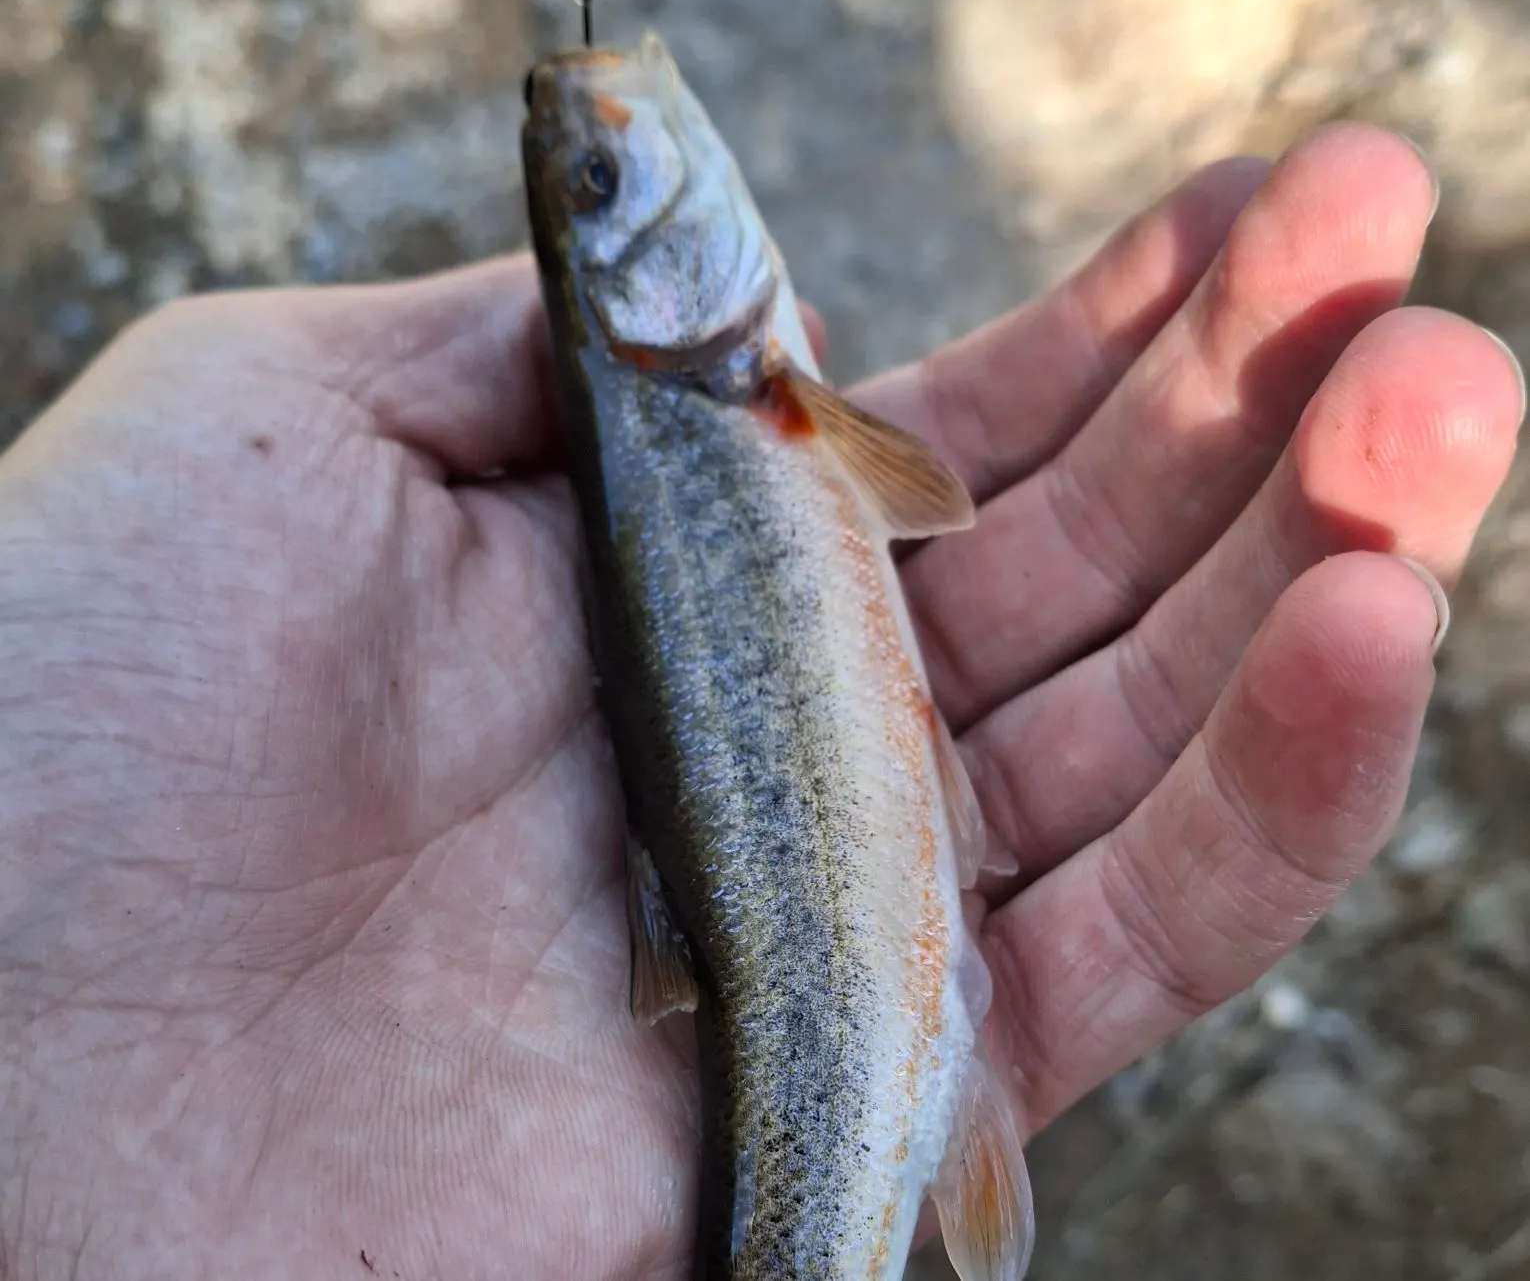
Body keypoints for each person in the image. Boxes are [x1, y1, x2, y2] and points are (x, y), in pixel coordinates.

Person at [0, 121, 1519, 1278]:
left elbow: (918, 490)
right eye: (603, 184)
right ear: (624, 292)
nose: (628, 138)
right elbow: (917, 492)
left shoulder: (726, 373)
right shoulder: (734, 380)